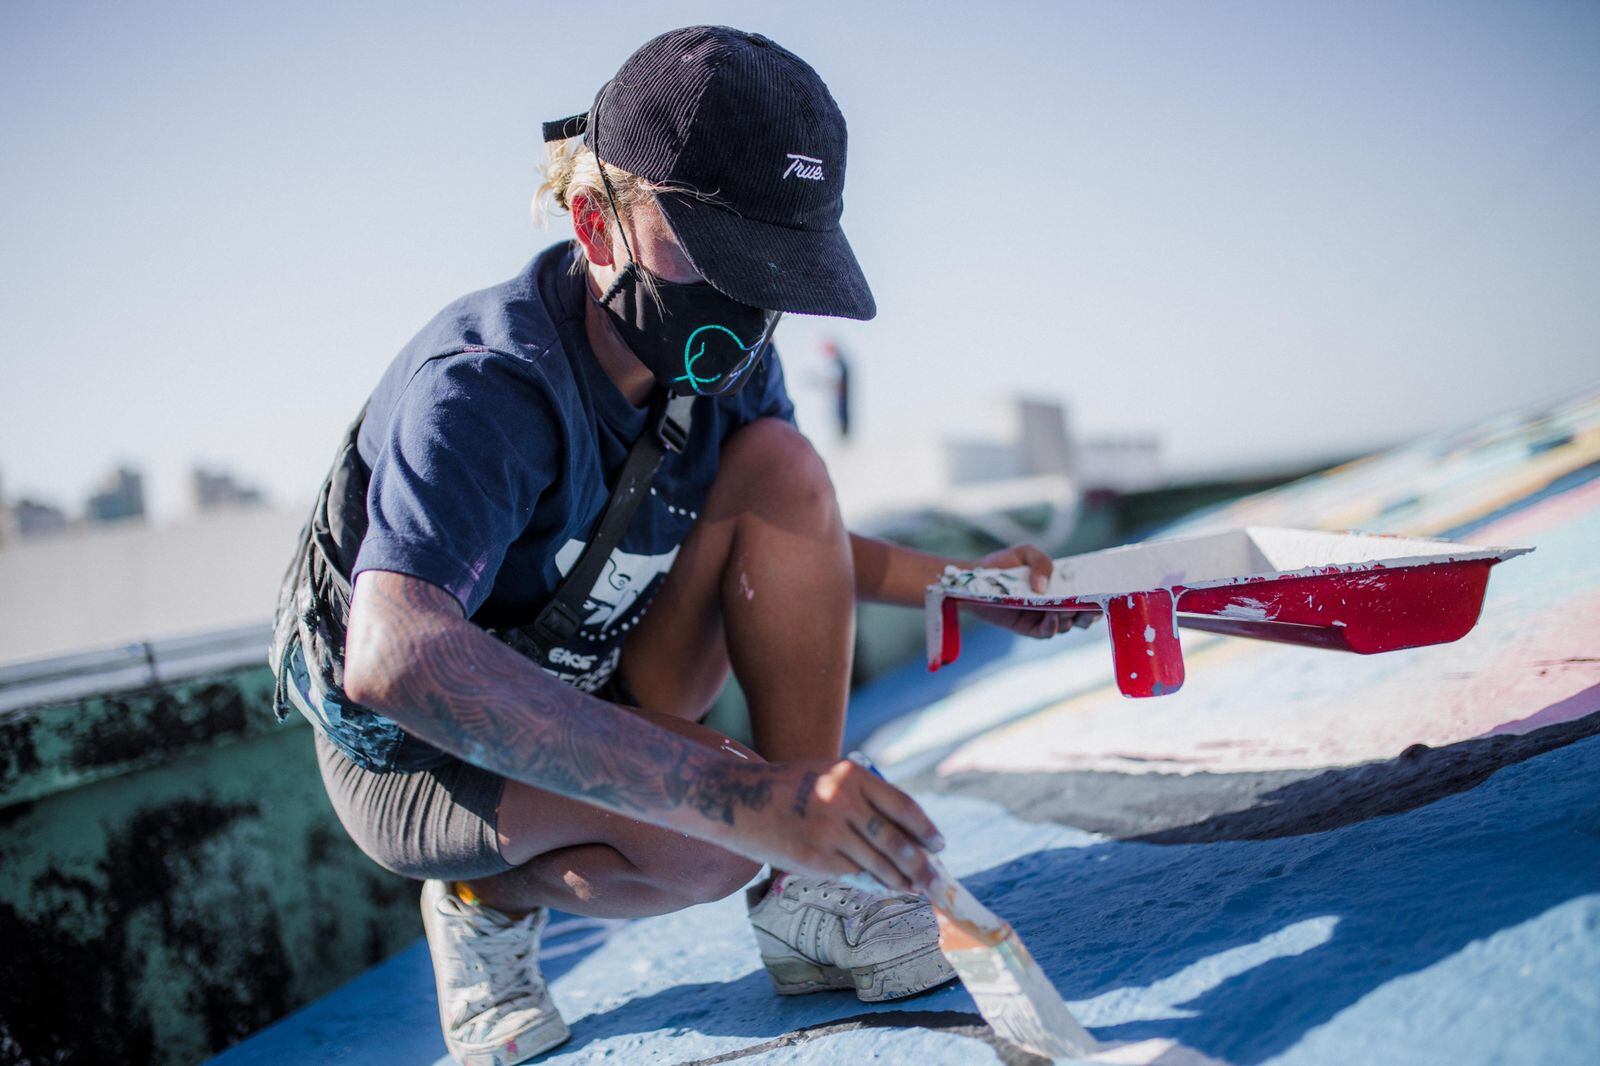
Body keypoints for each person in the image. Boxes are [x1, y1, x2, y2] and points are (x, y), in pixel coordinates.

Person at [269, 25, 1073, 1066]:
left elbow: (802, 535)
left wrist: (965, 585)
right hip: (429, 748)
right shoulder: (485, 387)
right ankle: (477, 896)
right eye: (708, 255)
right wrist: (745, 800)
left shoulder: (722, 364)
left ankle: (807, 894)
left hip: (596, 681)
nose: (742, 308)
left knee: (781, 463)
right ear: (593, 224)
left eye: (774, 269)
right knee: (708, 848)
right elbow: (395, 655)